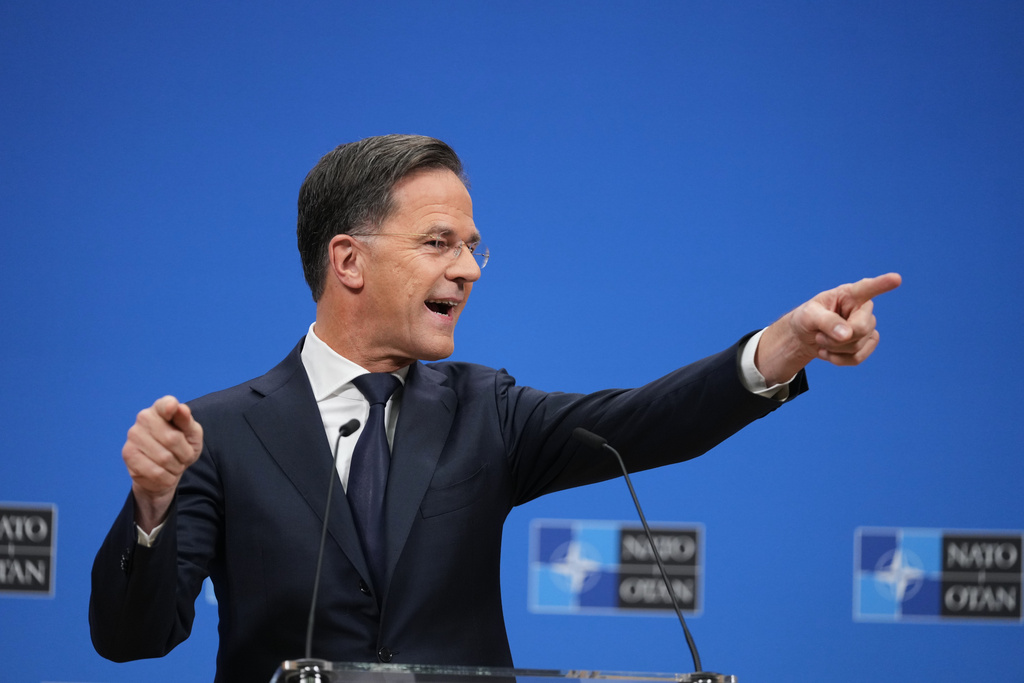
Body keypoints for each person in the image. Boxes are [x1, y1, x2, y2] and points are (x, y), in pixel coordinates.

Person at [89, 134, 901, 683]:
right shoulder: (221, 433)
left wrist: (784, 345)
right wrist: (152, 508)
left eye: (474, 246)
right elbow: (132, 638)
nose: (470, 269)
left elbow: (651, 419)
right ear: (349, 261)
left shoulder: (486, 411)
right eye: (439, 242)